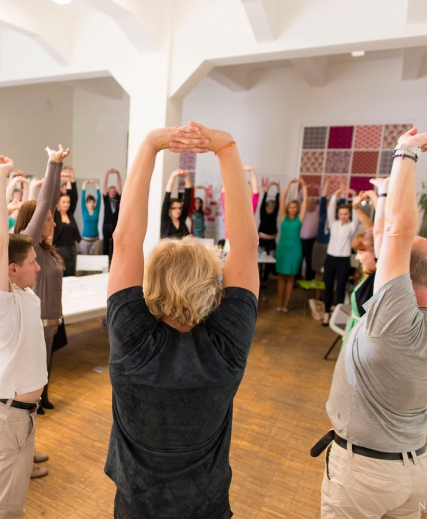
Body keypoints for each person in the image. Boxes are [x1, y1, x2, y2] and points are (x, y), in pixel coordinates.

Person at [106, 122, 259, 519]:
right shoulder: (227, 346)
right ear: (213, 286)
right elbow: (245, 244)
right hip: (206, 506)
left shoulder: (130, 339)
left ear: (149, 283)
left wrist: (150, 145)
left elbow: (125, 240)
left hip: (137, 507)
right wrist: (226, 148)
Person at [322, 124, 427, 518]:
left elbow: (398, 228)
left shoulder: (394, 319)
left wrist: (406, 151)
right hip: (417, 471)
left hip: (365, 476)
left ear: (401, 271)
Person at [0, 155, 48, 519]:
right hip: (8, 417)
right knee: (7, 508)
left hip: (9, 413)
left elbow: (11, 238)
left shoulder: (19, 292)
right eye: (31, 261)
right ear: (11, 270)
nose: (38, 265)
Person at [14, 145, 69, 421]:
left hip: (51, 321)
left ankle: (43, 398)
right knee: (35, 371)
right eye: (48, 220)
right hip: (37, 323)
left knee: (46, 366)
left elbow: (50, 205)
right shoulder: (29, 243)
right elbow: (46, 201)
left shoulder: (47, 251)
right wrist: (53, 163)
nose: (53, 223)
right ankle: (34, 405)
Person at [321, 187, 373, 325]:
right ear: (338, 214)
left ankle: (337, 316)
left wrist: (355, 194)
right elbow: (330, 210)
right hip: (330, 259)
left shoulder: (351, 226)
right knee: (328, 287)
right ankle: (326, 313)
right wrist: (335, 195)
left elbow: (357, 214)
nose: (343, 216)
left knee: (340, 288)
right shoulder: (334, 224)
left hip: (343, 260)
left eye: (345, 214)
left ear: (349, 214)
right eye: (341, 213)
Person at [274, 179, 308, 312]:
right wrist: (289, 184)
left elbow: (305, 201)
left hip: (295, 249)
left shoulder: (300, 219)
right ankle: (280, 303)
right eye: (291, 207)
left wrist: (303, 185)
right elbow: (282, 199)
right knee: (281, 276)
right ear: (288, 208)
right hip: (283, 248)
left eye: (295, 207)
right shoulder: (283, 217)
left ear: (297, 209)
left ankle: (286, 304)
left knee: (291, 277)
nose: (292, 209)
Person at [53, 186, 81, 277]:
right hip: (59, 250)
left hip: (71, 250)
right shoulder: (54, 216)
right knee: (60, 275)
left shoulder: (70, 214)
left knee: (71, 274)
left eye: (68, 202)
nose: (66, 204)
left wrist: (71, 180)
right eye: (63, 202)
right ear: (58, 203)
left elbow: (74, 196)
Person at [258, 182, 280, 286]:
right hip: (261, 240)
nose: (270, 210)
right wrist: (267, 189)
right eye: (269, 208)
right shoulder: (262, 212)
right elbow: (262, 202)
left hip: (271, 241)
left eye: (272, 208)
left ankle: (265, 280)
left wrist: (278, 189)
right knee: (258, 262)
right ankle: (258, 280)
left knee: (268, 263)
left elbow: (278, 203)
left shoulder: (274, 214)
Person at [160, 168, 192, 238]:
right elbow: (167, 196)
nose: (178, 210)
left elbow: (188, 198)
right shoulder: (165, 220)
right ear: (170, 209)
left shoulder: (182, 219)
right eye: (175, 208)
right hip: (168, 249)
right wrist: (172, 176)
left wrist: (187, 178)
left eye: (180, 208)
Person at [299, 190, 320, 281]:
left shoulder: (317, 211)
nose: (310, 205)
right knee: (298, 260)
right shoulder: (302, 212)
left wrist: (318, 188)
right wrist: (304, 188)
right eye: (308, 203)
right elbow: (299, 199)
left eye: (312, 203)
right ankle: (297, 279)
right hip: (299, 240)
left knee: (309, 261)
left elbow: (322, 199)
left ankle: (308, 279)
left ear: (315, 205)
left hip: (312, 241)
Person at [102, 168, 122, 261]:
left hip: (115, 226)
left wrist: (117, 174)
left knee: (115, 247)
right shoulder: (106, 199)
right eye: (111, 191)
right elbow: (104, 185)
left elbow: (119, 185)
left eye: (113, 191)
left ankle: (113, 264)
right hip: (106, 226)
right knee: (105, 246)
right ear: (109, 192)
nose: (112, 192)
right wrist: (107, 174)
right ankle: (104, 264)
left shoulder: (118, 198)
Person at [80, 179, 102, 255]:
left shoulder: (96, 210)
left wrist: (96, 183)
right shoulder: (84, 210)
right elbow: (82, 197)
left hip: (95, 240)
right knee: (84, 262)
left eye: (93, 202)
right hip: (85, 240)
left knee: (96, 262)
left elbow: (99, 198)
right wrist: (85, 183)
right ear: (86, 203)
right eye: (89, 202)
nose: (91, 204)